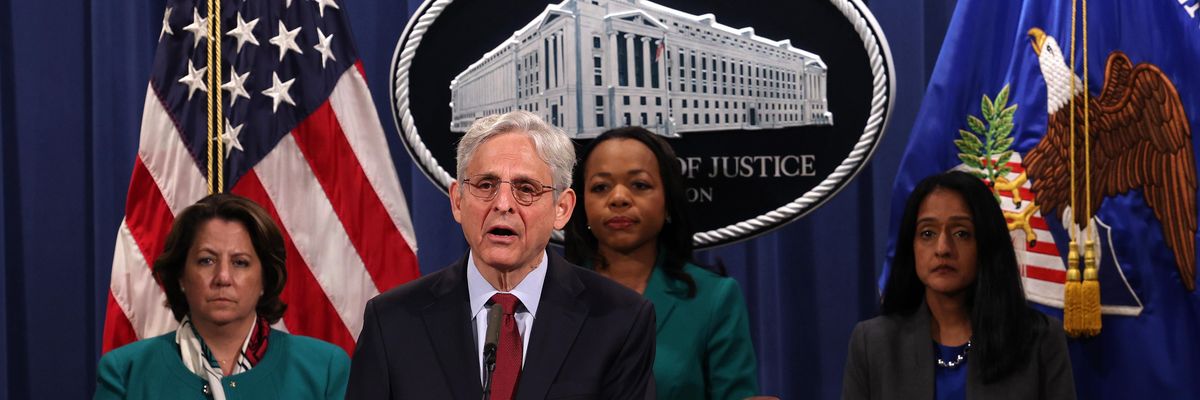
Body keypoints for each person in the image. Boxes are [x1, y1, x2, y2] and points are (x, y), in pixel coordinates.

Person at [346, 111, 655, 399]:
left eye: (526, 188)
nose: (503, 203)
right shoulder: (392, 322)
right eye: (485, 185)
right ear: (458, 201)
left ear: (562, 209)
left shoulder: (619, 320)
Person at [841, 171, 1076, 399]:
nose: (942, 248)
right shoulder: (873, 344)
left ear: (985, 244)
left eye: (961, 233)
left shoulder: (1039, 339)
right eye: (927, 233)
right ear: (910, 247)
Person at [563, 126, 759, 399]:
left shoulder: (715, 299)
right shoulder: (553, 294)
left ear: (668, 201)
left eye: (639, 185)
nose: (618, 198)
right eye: (601, 187)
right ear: (580, 203)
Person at [94, 194, 349, 400]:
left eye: (240, 262)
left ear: (265, 279)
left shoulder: (324, 369)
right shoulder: (126, 371)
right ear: (181, 276)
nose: (223, 277)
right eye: (206, 260)